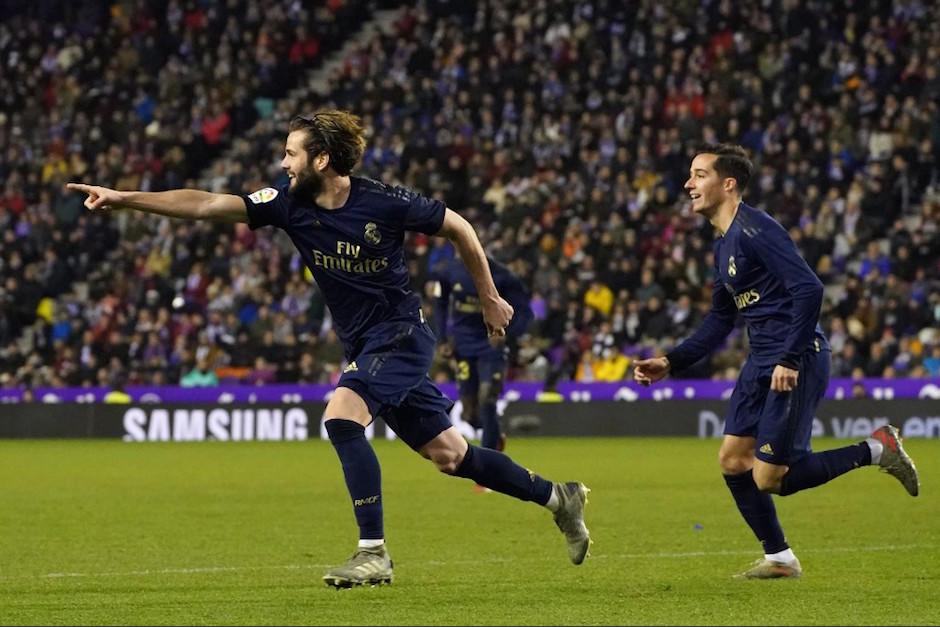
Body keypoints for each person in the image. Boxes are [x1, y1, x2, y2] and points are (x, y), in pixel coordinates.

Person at [67, 109, 590, 588]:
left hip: (402, 335)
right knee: (452, 456)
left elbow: (460, 228)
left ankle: (373, 552)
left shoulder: (385, 202)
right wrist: (125, 198)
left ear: (321, 159)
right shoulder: (288, 206)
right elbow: (205, 204)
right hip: (367, 343)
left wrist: (491, 297)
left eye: (291, 153)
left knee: (341, 417)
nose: (283, 163)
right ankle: (557, 497)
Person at [633, 143, 919, 579]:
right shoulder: (723, 247)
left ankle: (877, 448)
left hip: (796, 358)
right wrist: (671, 361)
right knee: (732, 459)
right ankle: (780, 558)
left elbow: (811, 289)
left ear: (728, 184)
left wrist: (789, 356)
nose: (688, 184)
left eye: (699, 175)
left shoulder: (756, 230)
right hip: (761, 361)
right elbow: (719, 320)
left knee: (770, 478)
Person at [431, 255, 533, 491]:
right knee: (469, 413)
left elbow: (525, 313)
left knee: (488, 400)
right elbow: (439, 303)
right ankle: (495, 434)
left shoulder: (502, 276)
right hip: (464, 347)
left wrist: (508, 333)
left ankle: (485, 475)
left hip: (491, 347)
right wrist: (443, 339)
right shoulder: (448, 272)